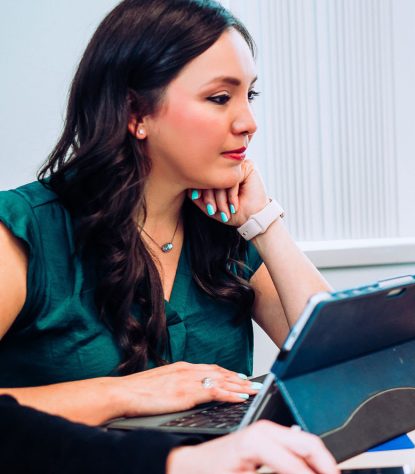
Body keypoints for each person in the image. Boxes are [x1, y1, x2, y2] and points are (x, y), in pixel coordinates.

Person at [0, 0, 331, 425]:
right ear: (136, 112)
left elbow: (340, 368)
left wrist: (265, 222)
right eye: (219, 97)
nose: (249, 122)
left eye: (249, 95)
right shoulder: (24, 230)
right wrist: (119, 394)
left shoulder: (228, 230)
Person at [0, 394, 338, 474]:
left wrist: (264, 223)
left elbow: (333, 346)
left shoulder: (225, 233)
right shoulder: (28, 220)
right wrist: (175, 461)